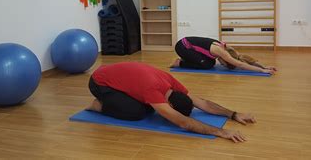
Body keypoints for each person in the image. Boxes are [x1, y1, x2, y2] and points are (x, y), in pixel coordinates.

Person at [86, 62, 256, 143]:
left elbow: (203, 103)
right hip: (99, 82)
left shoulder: (172, 84)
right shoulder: (152, 90)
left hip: (114, 74)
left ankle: (113, 99)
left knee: (148, 108)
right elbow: (183, 123)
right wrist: (221, 132)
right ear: (171, 106)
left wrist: (233, 114)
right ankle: (98, 105)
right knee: (136, 113)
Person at [171, 36, 276, 74]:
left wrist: (263, 66)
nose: (221, 65)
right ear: (225, 59)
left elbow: (244, 59)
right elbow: (241, 65)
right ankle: (179, 63)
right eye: (224, 65)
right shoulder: (221, 51)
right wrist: (262, 71)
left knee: (211, 62)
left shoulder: (229, 50)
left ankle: (185, 60)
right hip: (182, 47)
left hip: (189, 46)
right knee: (207, 65)